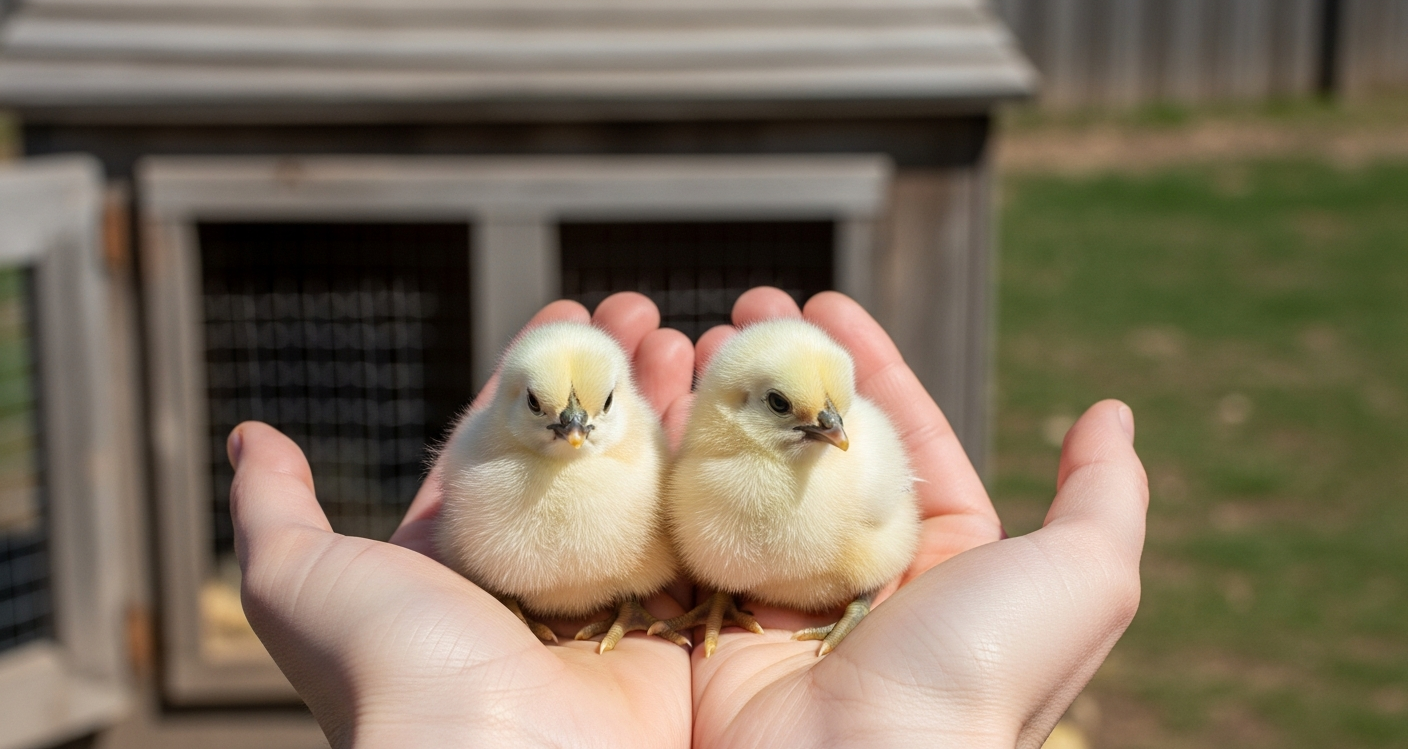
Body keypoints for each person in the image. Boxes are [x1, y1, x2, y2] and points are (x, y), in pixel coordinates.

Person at [227, 288, 1148, 748]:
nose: (831, 427)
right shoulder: (653, 477)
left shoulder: (837, 465)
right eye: (792, 409)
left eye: (827, 409)